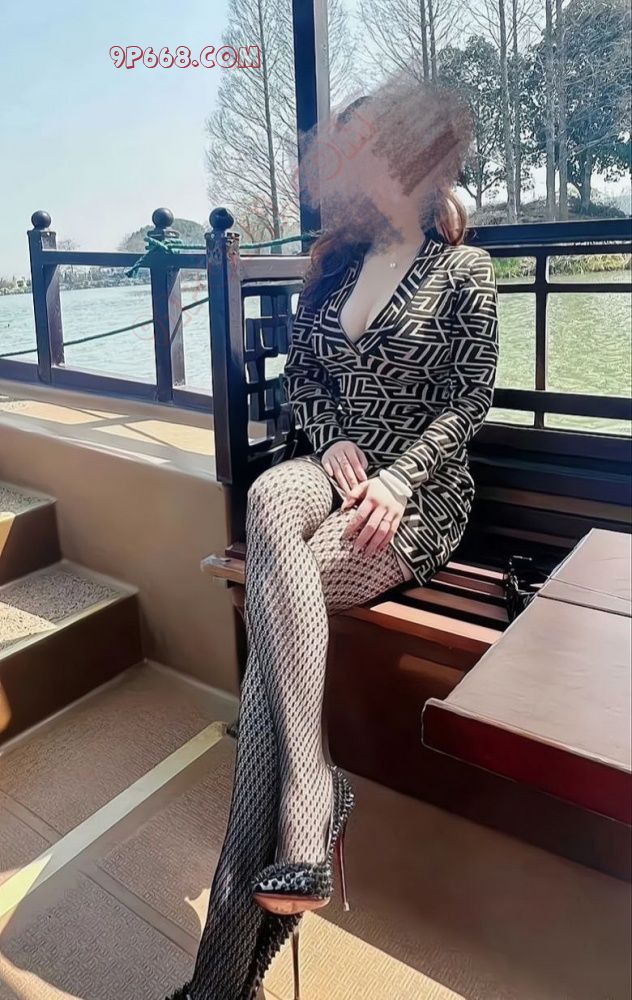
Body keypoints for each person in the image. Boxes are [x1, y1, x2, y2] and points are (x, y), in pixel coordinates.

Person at [167, 76, 499, 1000]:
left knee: (272, 653)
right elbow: (306, 382)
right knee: (274, 489)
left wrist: (398, 475)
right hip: (334, 473)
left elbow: (469, 399)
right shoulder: (338, 267)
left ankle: (220, 975)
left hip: (413, 498)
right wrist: (332, 435)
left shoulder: (465, 273)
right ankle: (312, 794)